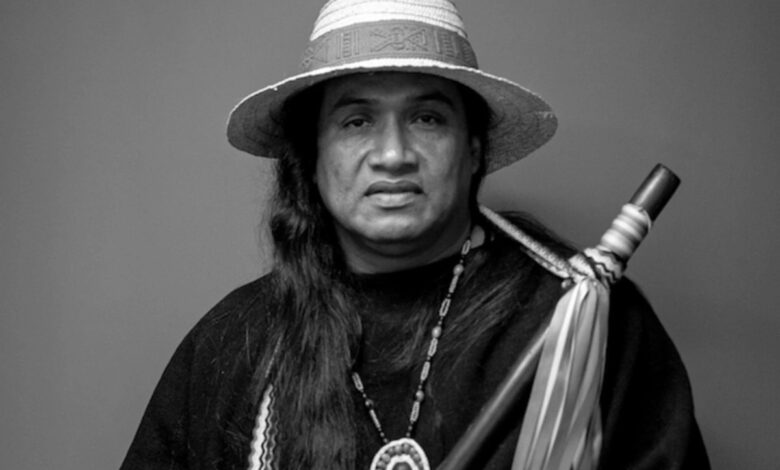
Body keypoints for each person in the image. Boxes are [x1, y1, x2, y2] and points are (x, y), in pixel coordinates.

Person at [121, 1, 709, 469]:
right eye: (357, 121)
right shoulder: (234, 343)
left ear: (472, 148)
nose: (394, 154)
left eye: (427, 118)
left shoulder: (583, 319)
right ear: (312, 157)